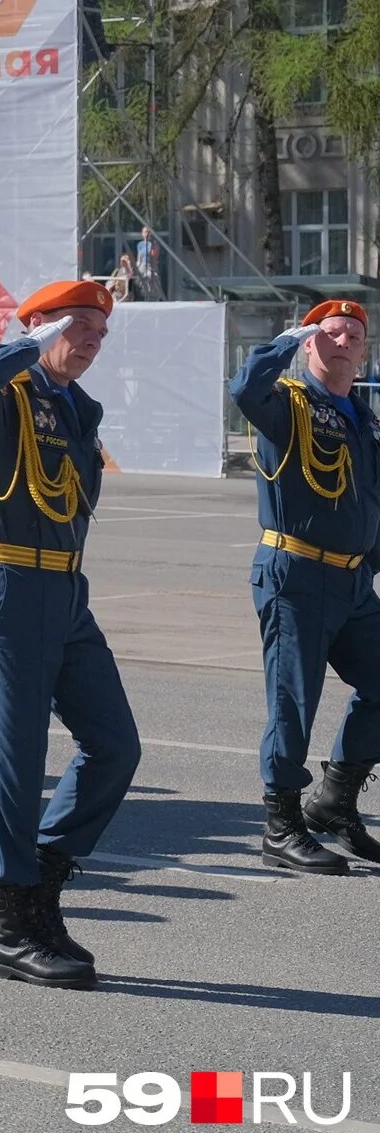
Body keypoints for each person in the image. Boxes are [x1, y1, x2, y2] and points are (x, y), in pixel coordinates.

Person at [0, 279, 139, 989]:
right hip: (7, 586)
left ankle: (40, 881)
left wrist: (56, 336)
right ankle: (9, 923)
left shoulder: (76, 408)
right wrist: (30, 338)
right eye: (77, 326)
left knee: (116, 743)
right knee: (20, 758)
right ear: (41, 326)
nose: (90, 340)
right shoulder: (9, 397)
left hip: (63, 588)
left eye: (99, 331)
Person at [228, 300, 380, 872]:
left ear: (364, 351)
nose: (343, 341)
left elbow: (369, 500)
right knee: (294, 701)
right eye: (331, 332)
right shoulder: (287, 404)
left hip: (352, 579)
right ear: (311, 343)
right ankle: (281, 823)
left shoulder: (363, 416)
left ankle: (335, 802)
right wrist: (284, 339)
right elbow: (243, 389)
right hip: (297, 573)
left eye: (354, 335)